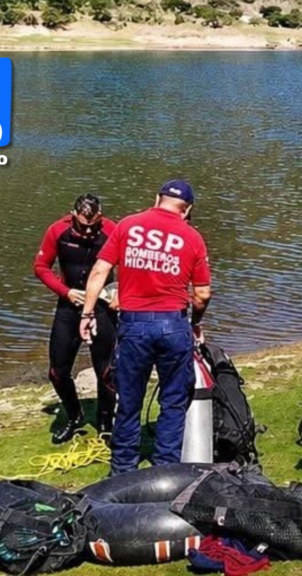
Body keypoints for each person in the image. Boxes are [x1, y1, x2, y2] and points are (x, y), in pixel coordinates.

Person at [80, 180, 212, 476]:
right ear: (187, 209)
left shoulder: (127, 225)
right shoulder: (192, 237)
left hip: (134, 325)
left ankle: (122, 472)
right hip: (173, 325)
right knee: (173, 401)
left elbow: (100, 271)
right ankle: (165, 472)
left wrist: (87, 314)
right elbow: (202, 294)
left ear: (157, 199)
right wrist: (195, 324)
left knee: (128, 400)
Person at [34, 194, 118, 444]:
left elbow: (130, 264)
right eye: (83, 226)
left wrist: (122, 292)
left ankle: (105, 423)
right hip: (69, 304)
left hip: (103, 306)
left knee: (106, 371)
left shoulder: (112, 230)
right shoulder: (58, 231)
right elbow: (40, 267)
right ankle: (74, 416)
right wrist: (66, 292)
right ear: (73, 216)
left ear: (101, 216)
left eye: (94, 226)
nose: (89, 231)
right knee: (57, 371)